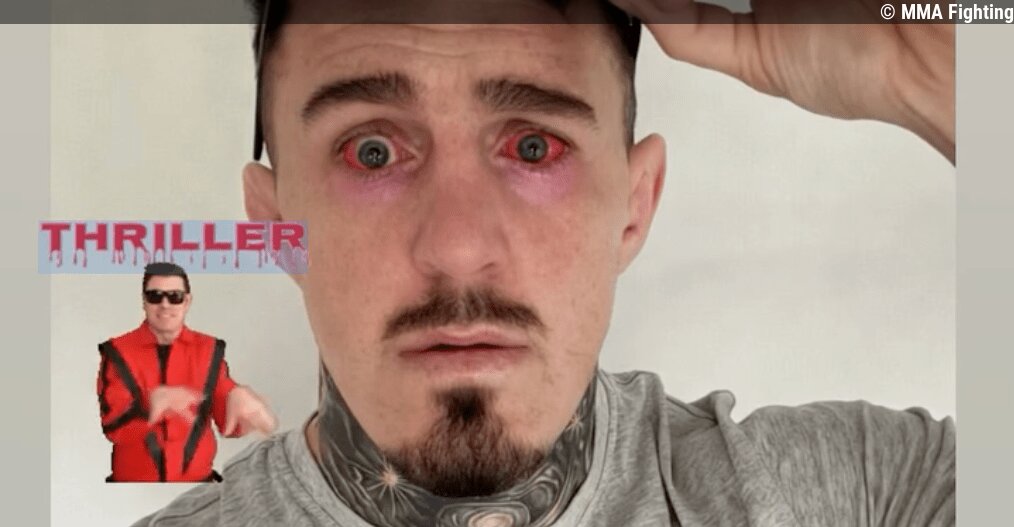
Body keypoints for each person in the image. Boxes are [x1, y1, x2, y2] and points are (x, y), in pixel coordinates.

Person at [134, 0, 955, 524]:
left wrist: (938, 80)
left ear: (634, 205)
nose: (459, 248)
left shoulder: (867, 494)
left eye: (534, 146)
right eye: (372, 151)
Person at [98, 262, 278, 482]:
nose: (165, 305)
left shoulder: (208, 350)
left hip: (197, 488)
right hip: (133, 488)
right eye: (155, 296)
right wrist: (150, 407)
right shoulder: (118, 351)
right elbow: (113, 428)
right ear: (144, 301)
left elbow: (226, 418)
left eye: (175, 296)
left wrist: (239, 401)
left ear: (187, 301)